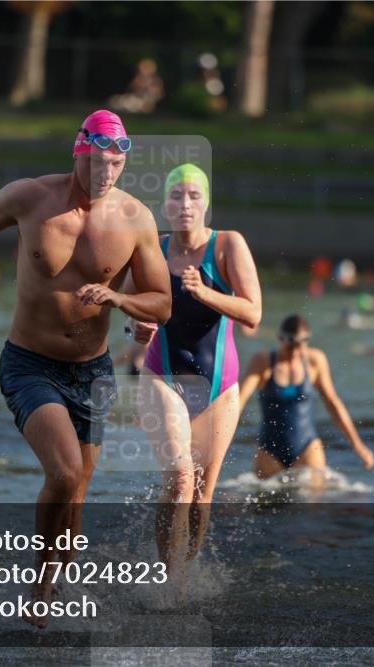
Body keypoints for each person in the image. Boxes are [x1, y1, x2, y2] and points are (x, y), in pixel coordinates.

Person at [0, 110, 171, 627]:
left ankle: (63, 584)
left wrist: (120, 299)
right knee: (65, 473)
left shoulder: (135, 219)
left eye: (116, 164)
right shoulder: (31, 198)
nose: (106, 173)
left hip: (93, 372)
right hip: (30, 364)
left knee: (77, 497)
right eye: (97, 162)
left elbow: (161, 303)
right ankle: (41, 584)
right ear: (78, 152)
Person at [130, 163, 261, 575]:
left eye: (194, 196)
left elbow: (253, 312)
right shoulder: (153, 246)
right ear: (165, 205)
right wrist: (136, 325)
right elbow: (132, 306)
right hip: (163, 375)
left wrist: (204, 292)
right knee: (180, 479)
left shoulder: (228, 245)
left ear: (206, 203)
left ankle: (185, 576)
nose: (185, 204)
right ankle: (167, 579)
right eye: (176, 196)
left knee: (203, 492)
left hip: (220, 384)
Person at [239, 315, 374, 480]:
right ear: (280, 339)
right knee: (263, 495)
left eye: (299, 348)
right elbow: (238, 402)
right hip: (269, 450)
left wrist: (358, 444)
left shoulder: (315, 361)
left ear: (307, 342)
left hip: (307, 447)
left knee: (316, 495)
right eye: (290, 348)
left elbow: (333, 403)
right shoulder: (263, 362)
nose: (294, 353)